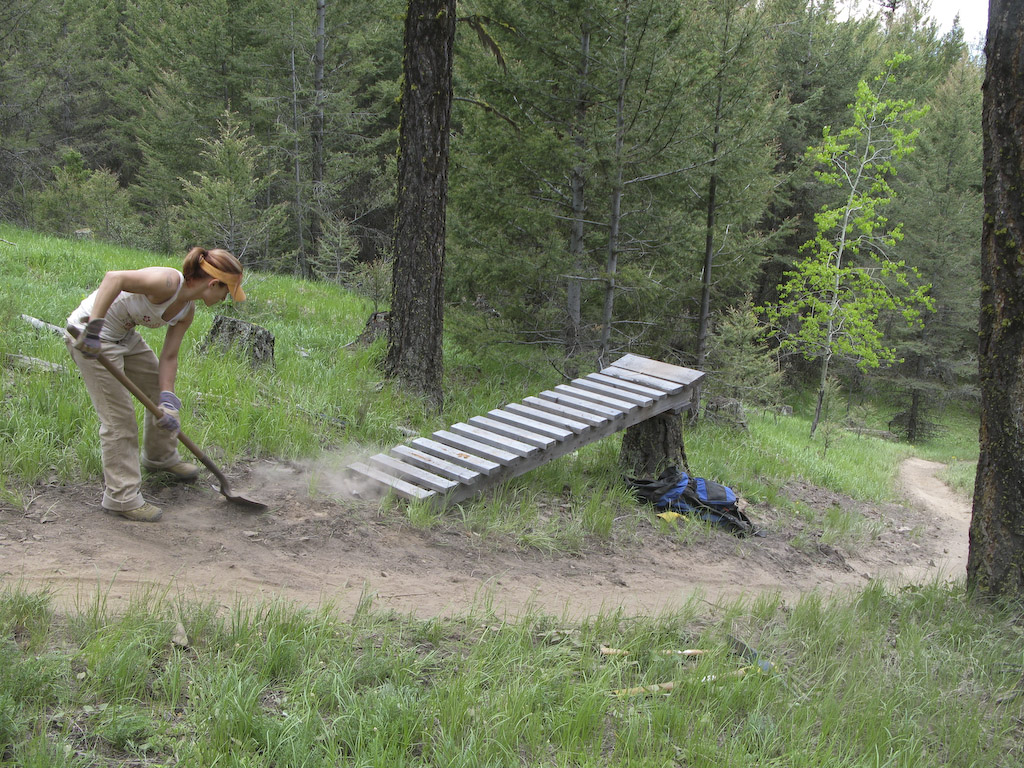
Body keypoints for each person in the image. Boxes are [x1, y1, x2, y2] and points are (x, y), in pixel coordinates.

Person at [66, 247, 246, 522]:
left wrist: (168, 400)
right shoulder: (167, 281)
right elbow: (114, 278)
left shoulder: (186, 310)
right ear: (213, 284)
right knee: (119, 419)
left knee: (157, 389)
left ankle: (160, 458)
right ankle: (121, 497)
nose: (226, 299)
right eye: (227, 292)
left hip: (124, 336)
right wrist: (93, 328)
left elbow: (169, 357)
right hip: (91, 338)